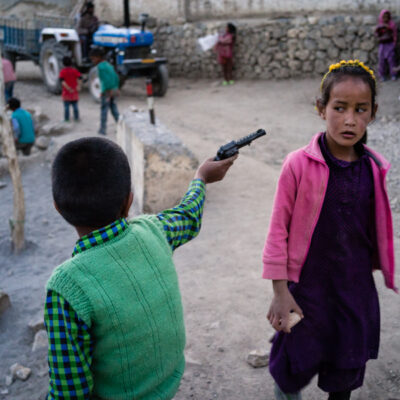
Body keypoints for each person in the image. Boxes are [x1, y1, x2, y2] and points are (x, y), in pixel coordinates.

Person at [45, 136, 237, 399]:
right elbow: (188, 215)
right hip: (170, 384)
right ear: (128, 202)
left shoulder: (66, 286)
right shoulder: (154, 229)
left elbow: (69, 393)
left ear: (57, 208)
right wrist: (201, 177)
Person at [262, 60, 396, 400]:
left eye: (360, 109)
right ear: (321, 109)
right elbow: (278, 230)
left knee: (345, 371)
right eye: (340, 108)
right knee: (290, 367)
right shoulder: (297, 164)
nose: (350, 120)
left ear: (373, 112)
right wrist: (280, 291)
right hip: (305, 290)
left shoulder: (374, 167)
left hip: (353, 292)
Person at [90, 47, 120, 135]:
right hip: (113, 89)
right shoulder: (108, 65)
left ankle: (102, 129)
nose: (93, 61)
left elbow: (105, 80)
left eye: (93, 58)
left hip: (107, 91)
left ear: (98, 57)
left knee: (104, 110)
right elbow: (115, 77)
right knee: (114, 108)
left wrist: (105, 91)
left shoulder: (100, 67)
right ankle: (120, 126)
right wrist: (116, 88)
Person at [375, 9, 398, 81]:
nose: (385, 18)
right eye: (383, 17)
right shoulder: (379, 25)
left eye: (387, 17)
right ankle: (382, 75)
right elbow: (377, 34)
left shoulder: (392, 24)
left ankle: (393, 74)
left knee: (391, 60)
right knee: (381, 60)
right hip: (382, 44)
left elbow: (394, 35)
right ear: (381, 17)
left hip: (390, 44)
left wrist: (394, 43)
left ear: (389, 17)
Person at [59, 56, 82, 122]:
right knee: (75, 106)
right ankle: (76, 118)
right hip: (74, 92)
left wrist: (68, 88)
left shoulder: (62, 72)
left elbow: (62, 81)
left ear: (63, 63)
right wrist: (79, 86)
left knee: (66, 107)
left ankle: (66, 119)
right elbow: (80, 78)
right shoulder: (75, 71)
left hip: (66, 93)